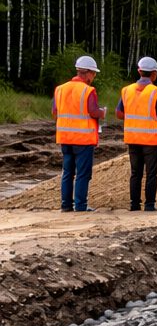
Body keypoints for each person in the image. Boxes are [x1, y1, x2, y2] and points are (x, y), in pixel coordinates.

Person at [53, 55, 106, 212]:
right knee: (82, 174)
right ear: (88, 73)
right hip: (83, 139)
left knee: (67, 172)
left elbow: (55, 111)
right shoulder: (88, 91)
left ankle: (66, 205)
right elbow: (92, 111)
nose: (93, 77)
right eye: (94, 74)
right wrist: (101, 113)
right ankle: (81, 205)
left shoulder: (60, 89)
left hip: (64, 137)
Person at [116, 56, 157, 211]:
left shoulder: (126, 91)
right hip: (151, 139)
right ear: (154, 73)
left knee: (135, 173)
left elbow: (119, 113)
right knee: (151, 173)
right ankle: (150, 205)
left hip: (133, 138)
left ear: (139, 71)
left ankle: (134, 204)